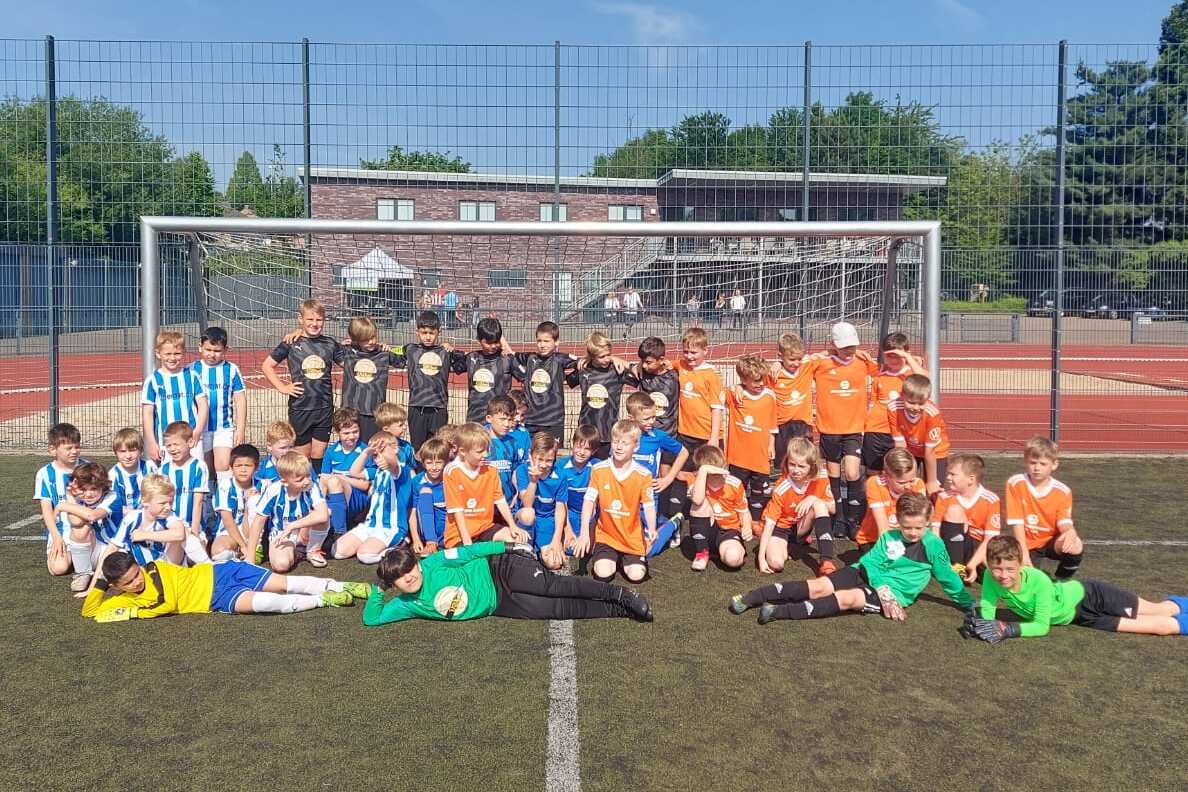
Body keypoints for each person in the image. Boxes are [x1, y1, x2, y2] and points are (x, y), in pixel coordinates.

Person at [730, 492, 972, 625]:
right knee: (819, 586)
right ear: (898, 521)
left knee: (848, 598)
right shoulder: (889, 537)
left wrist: (968, 603)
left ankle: (776, 611)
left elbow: (947, 577)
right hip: (866, 574)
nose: (912, 532)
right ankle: (751, 598)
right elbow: (870, 563)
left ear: (928, 522)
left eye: (918, 527)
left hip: (894, 593)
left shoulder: (933, 545)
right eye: (907, 527)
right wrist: (881, 587)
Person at [361, 542, 653, 625]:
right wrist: (378, 589)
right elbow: (372, 619)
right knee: (555, 610)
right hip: (498, 604)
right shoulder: (406, 604)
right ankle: (620, 611)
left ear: (417, 564)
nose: (409, 577)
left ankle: (621, 594)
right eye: (400, 577)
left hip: (499, 569)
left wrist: (509, 547)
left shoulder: (434, 563)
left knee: (552, 587)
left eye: (410, 569)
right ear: (393, 583)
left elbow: (470, 551)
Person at [961, 535, 1188, 642]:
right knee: (1160, 628)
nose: (1003, 575)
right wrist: (981, 623)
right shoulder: (990, 577)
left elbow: (1041, 626)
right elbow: (988, 609)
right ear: (989, 565)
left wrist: (1008, 629)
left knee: (1160, 611)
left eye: (1010, 569)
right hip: (1079, 618)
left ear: (1021, 564)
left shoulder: (1039, 581)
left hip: (1092, 596)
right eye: (997, 569)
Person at [81, 550, 370, 622]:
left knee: (283, 583)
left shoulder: (154, 568)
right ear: (118, 586)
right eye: (129, 582)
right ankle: (324, 599)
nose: (137, 580)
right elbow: (89, 612)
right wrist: (101, 582)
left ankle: (340, 585)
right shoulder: (125, 597)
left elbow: (166, 603)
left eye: (136, 573)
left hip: (221, 572)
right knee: (266, 604)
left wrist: (135, 613)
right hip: (215, 600)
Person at [807, 321, 874, 540]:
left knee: (853, 472)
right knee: (833, 475)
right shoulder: (821, 363)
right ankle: (840, 518)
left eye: (852, 345)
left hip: (854, 428)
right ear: (833, 344)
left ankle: (854, 520)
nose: (849, 350)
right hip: (829, 429)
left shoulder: (863, 362)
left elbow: (887, 370)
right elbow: (796, 367)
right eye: (844, 346)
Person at [574, 418, 660, 583]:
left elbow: (649, 505)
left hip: (631, 538)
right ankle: (610, 557)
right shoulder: (599, 470)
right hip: (606, 536)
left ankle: (671, 525)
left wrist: (652, 528)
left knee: (636, 575)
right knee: (603, 574)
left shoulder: (643, 474)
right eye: (615, 442)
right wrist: (584, 532)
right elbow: (589, 501)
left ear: (636, 446)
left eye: (625, 443)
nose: (619, 447)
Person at [262, 299, 340, 475]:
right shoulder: (291, 342)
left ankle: (317, 484)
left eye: (319, 320)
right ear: (300, 319)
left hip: (324, 408)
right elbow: (267, 366)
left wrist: (354, 344)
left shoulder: (330, 343)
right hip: (300, 408)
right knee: (302, 456)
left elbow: (349, 362)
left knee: (319, 453)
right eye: (310, 319)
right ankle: (302, 485)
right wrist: (283, 387)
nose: (314, 323)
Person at [1005, 436, 1084, 580]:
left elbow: (1064, 522)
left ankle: (1061, 580)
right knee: (1027, 581)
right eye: (1033, 462)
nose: (1037, 468)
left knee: (1076, 545)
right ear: (1025, 461)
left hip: (1049, 541)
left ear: (1054, 464)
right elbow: (1017, 522)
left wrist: (1070, 531)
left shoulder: (1063, 491)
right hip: (1026, 542)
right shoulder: (1015, 483)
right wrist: (1023, 553)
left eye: (1043, 464)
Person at [332, 431, 414, 563]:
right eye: (375, 455)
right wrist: (366, 453)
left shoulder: (401, 471)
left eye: (382, 451)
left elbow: (394, 465)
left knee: (365, 556)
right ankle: (370, 544)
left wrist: (389, 460)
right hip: (370, 525)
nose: (378, 458)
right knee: (337, 552)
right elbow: (354, 472)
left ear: (395, 449)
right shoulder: (377, 472)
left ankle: (399, 545)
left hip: (391, 528)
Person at [758, 437, 837, 575]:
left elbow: (833, 508)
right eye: (792, 464)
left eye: (801, 466)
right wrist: (761, 559)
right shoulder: (782, 487)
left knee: (819, 504)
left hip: (800, 527)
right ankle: (789, 546)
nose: (795, 470)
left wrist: (813, 498)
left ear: (812, 466)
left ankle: (826, 561)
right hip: (780, 528)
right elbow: (770, 525)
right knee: (776, 563)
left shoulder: (821, 476)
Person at [442, 422, 527, 547]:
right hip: (459, 534)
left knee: (517, 539)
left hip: (485, 528)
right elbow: (456, 510)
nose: (486, 454)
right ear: (462, 451)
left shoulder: (491, 470)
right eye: (479, 451)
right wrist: (467, 542)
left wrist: (513, 526)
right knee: (476, 556)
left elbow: (500, 501)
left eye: (487, 449)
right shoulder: (451, 471)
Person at [247, 450, 331, 572]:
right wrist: (250, 559)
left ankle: (312, 550)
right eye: (300, 479)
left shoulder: (311, 486)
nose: (306, 481)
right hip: (281, 533)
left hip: (303, 530)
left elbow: (323, 515)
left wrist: (293, 526)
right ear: (284, 481)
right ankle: (295, 552)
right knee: (281, 565)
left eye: (308, 475)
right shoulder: (274, 490)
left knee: (325, 513)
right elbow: (258, 522)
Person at [392, 310, 465, 450]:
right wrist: (381, 347)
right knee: (418, 449)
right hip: (416, 407)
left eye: (431, 333)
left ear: (439, 332)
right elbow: (391, 354)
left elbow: (462, 364)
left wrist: (452, 349)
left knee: (439, 449)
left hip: (438, 408)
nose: (427, 337)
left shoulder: (445, 352)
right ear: (417, 332)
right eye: (424, 332)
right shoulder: (410, 349)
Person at [861, 332, 927, 477]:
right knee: (873, 471)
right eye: (889, 356)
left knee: (898, 471)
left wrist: (908, 357)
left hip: (900, 432)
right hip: (875, 431)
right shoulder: (880, 372)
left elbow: (925, 379)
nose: (893, 360)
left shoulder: (911, 375)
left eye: (897, 356)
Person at [141, 330, 208, 464]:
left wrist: (198, 430)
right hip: (166, 440)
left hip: (191, 438)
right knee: (169, 475)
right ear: (158, 354)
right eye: (168, 354)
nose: (172, 358)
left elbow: (203, 405)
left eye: (177, 353)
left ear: (183, 353)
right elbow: (147, 413)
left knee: (195, 470)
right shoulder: (153, 380)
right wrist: (151, 442)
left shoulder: (192, 376)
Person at [725, 353, 779, 521]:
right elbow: (715, 397)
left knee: (758, 493)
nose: (761, 383)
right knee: (736, 491)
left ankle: (755, 521)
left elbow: (772, 424)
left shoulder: (769, 396)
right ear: (744, 379)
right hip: (738, 457)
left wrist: (771, 445)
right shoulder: (734, 394)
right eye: (756, 380)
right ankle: (736, 522)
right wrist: (737, 387)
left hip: (760, 457)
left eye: (763, 379)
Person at [931, 453, 1001, 582]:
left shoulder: (991, 500)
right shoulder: (944, 497)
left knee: (997, 569)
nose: (948, 477)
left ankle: (967, 571)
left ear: (971, 479)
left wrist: (972, 564)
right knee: (955, 511)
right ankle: (957, 570)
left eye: (953, 474)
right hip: (953, 547)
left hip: (978, 548)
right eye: (948, 473)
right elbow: (935, 532)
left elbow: (990, 539)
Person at [190, 326, 247, 484]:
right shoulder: (192, 370)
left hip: (223, 428)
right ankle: (209, 496)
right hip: (199, 429)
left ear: (225, 350)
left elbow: (240, 399)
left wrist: (240, 429)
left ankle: (225, 495)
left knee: (223, 465)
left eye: (217, 351)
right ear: (200, 347)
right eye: (208, 349)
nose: (212, 354)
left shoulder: (231, 370)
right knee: (205, 467)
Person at [51, 462, 118, 593]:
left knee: (117, 573)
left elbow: (92, 515)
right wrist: (70, 496)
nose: (88, 494)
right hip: (100, 549)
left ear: (103, 487)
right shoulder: (79, 500)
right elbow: (76, 522)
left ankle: (107, 575)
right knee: (80, 530)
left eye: (93, 489)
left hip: (118, 549)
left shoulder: (112, 496)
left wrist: (61, 506)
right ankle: (83, 574)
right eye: (83, 489)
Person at [510, 320, 579, 444]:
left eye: (546, 341)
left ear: (556, 342)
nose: (542, 345)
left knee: (552, 453)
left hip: (553, 421)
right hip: (531, 420)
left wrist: (570, 379)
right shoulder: (530, 358)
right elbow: (510, 355)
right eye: (539, 341)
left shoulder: (560, 359)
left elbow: (584, 363)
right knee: (529, 452)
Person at [336, 316, 400, 442]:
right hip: (350, 412)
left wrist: (391, 349)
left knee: (372, 447)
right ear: (356, 339)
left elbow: (406, 356)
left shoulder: (383, 353)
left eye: (373, 337)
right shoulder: (347, 352)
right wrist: (300, 332)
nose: (371, 341)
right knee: (351, 446)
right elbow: (323, 346)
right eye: (365, 339)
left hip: (374, 412)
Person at [156, 421, 212, 564]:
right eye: (169, 445)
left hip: (192, 524)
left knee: (197, 557)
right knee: (171, 564)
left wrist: (195, 532)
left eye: (176, 444)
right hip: (170, 526)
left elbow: (198, 502)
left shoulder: (199, 467)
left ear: (190, 442)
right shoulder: (163, 470)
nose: (172, 449)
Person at [688, 445, 751, 571]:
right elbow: (697, 500)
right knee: (699, 505)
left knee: (733, 559)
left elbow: (744, 512)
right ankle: (702, 552)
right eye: (712, 469)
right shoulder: (696, 480)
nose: (718, 472)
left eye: (720, 467)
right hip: (707, 529)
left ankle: (730, 548)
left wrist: (747, 527)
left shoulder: (734, 483)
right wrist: (704, 470)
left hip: (728, 531)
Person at [568, 332, 629, 460]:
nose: (606, 359)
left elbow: (639, 372)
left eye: (608, 354)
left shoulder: (617, 369)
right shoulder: (583, 369)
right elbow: (565, 379)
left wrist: (617, 359)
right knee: (582, 466)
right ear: (592, 356)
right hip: (585, 431)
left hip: (607, 433)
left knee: (603, 468)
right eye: (602, 356)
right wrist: (580, 361)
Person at [854, 448, 927, 551]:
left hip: (906, 536)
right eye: (901, 483)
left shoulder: (918, 484)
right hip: (873, 539)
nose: (908, 486)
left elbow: (920, 522)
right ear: (886, 476)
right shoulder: (874, 483)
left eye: (911, 480)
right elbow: (883, 529)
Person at [889, 373, 950, 495]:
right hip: (910, 449)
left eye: (921, 403)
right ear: (902, 396)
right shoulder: (893, 408)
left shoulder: (932, 414)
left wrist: (931, 481)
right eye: (911, 402)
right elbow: (900, 444)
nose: (916, 408)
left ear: (927, 399)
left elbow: (930, 451)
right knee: (905, 485)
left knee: (933, 491)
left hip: (935, 451)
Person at [513, 431, 566, 567]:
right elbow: (527, 504)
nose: (543, 464)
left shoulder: (560, 475)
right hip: (525, 518)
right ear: (530, 455)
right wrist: (533, 481)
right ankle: (526, 548)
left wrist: (557, 539)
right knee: (528, 514)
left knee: (554, 563)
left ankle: (541, 551)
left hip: (546, 520)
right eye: (539, 459)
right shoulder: (522, 470)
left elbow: (560, 509)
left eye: (549, 460)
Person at [321, 407, 374, 540]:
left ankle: (339, 532)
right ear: (337, 432)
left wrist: (341, 478)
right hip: (335, 496)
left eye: (355, 431)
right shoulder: (331, 451)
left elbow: (365, 486)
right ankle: (321, 519)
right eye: (346, 433)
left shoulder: (365, 451)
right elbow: (324, 478)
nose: (351, 436)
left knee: (334, 481)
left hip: (357, 498)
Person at [37, 422, 83, 575]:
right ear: (53, 450)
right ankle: (70, 556)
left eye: (77, 447)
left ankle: (80, 558)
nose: (74, 451)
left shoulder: (88, 468)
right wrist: (56, 537)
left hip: (85, 531)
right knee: (59, 568)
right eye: (69, 448)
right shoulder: (44, 474)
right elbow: (46, 510)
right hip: (61, 531)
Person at [676, 327, 725, 467]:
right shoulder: (680, 365)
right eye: (686, 352)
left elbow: (716, 408)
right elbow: (664, 364)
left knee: (710, 472)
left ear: (705, 351)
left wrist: (714, 437)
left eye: (693, 352)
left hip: (707, 435)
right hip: (685, 433)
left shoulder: (712, 374)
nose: (689, 356)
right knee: (684, 473)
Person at [553, 425, 601, 559]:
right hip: (569, 514)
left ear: (594, 451)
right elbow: (560, 502)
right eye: (579, 447)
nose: (581, 452)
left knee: (590, 549)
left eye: (587, 449)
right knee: (570, 548)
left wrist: (591, 527)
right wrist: (567, 529)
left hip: (591, 516)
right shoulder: (560, 466)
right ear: (572, 444)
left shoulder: (598, 466)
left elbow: (597, 502)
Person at [460, 317, 515, 424]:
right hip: (474, 419)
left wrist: (507, 348)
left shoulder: (507, 360)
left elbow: (525, 374)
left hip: (499, 420)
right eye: (488, 343)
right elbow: (450, 364)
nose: (493, 346)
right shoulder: (471, 358)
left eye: (496, 342)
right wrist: (445, 347)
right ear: (479, 340)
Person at [210, 443, 259, 562]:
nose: (243, 470)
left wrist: (247, 506)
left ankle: (254, 549)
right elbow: (227, 520)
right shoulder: (225, 486)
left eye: (248, 465)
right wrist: (243, 546)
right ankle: (238, 552)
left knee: (255, 500)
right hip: (229, 532)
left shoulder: (262, 485)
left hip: (254, 532)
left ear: (256, 467)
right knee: (218, 552)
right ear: (231, 467)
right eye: (238, 465)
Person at [408, 437, 450, 557]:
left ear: (446, 462)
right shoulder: (417, 481)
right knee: (425, 492)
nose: (434, 467)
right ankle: (431, 543)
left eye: (438, 462)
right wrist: (416, 539)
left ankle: (448, 540)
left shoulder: (450, 478)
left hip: (447, 528)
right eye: (429, 463)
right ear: (423, 463)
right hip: (426, 530)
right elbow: (412, 513)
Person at [107, 428, 156, 529]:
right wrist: (137, 515)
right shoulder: (113, 476)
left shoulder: (149, 467)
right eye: (123, 451)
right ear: (115, 452)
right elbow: (115, 507)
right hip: (124, 523)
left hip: (150, 519)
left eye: (132, 450)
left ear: (141, 451)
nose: (128, 456)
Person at [483, 395, 521, 504]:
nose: (507, 424)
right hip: (484, 501)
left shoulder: (513, 442)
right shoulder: (479, 440)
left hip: (507, 501)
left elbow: (515, 470)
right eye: (502, 419)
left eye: (510, 420)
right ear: (489, 418)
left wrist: (518, 492)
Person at [255, 420, 298, 491]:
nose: (287, 451)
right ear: (269, 446)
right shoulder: (262, 468)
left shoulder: (299, 465)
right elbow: (252, 489)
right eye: (282, 448)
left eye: (291, 447)